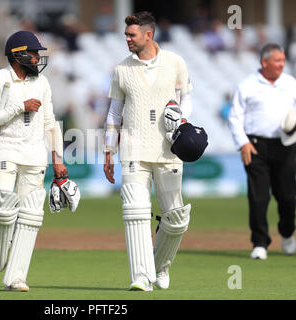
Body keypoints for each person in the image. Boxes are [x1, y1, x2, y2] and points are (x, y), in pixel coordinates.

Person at [103, 11, 194, 291]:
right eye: (126, 35)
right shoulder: (122, 69)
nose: (127, 39)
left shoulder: (176, 62)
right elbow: (114, 112)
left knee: (175, 218)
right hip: (132, 150)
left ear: (148, 35)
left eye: (132, 35)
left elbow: (185, 99)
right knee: (135, 211)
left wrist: (182, 123)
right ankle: (141, 277)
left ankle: (161, 264)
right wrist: (108, 150)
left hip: (168, 150)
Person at [0, 31, 68, 291]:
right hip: (5, 150)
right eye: (34, 52)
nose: (38, 58)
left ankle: (16, 276)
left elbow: (51, 123)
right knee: (2, 209)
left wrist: (58, 158)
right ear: (18, 54)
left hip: (34, 156)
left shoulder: (42, 83)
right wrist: (19, 106)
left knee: (29, 217)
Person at [228, 43, 296, 260]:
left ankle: (287, 233)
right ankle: (259, 243)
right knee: (258, 197)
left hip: (285, 145)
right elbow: (235, 117)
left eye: (283, 61)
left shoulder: (291, 83)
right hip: (255, 146)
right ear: (264, 62)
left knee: (287, 196)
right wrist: (243, 143)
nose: (281, 65)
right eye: (277, 61)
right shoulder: (247, 85)